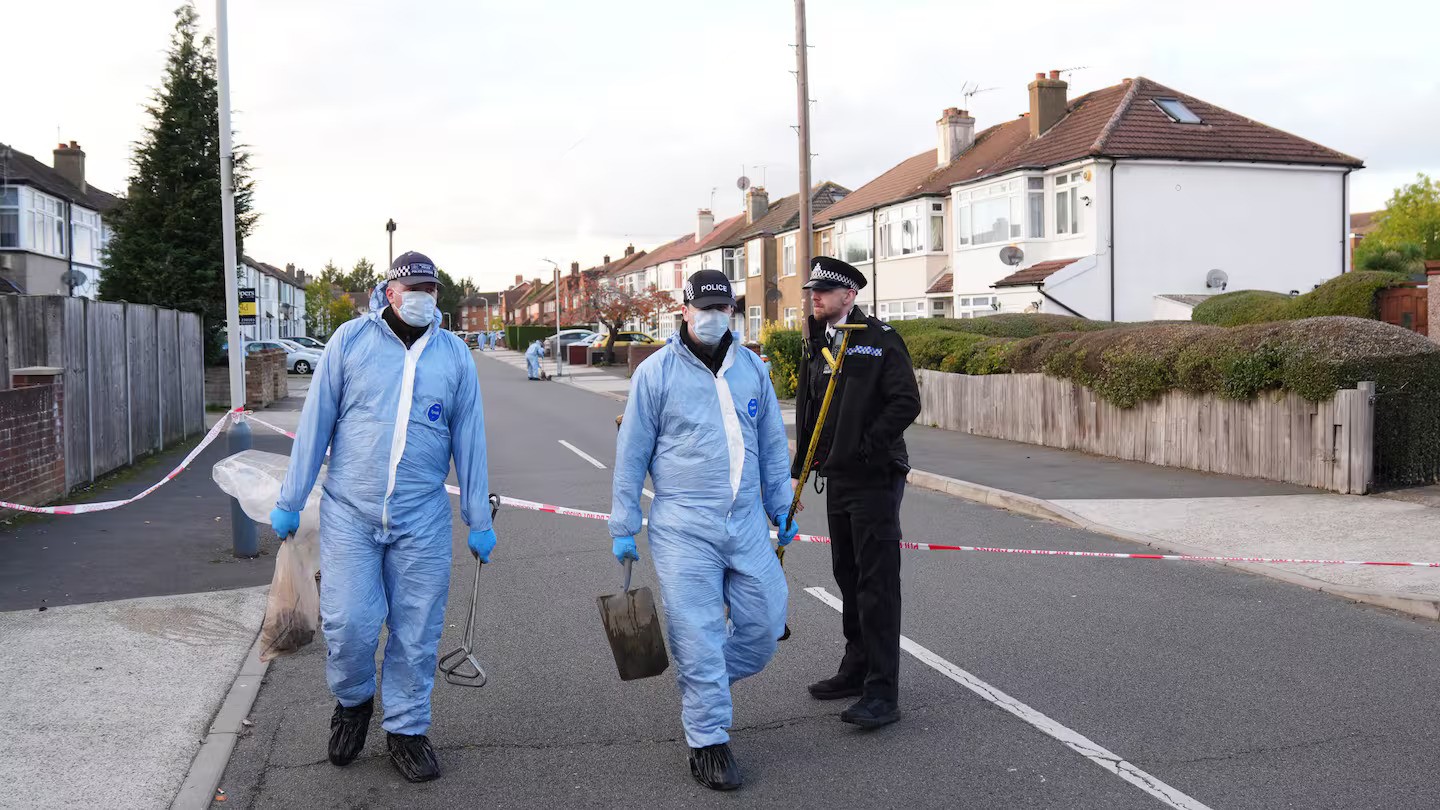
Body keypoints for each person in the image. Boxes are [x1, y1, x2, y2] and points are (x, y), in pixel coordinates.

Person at [268, 251, 496, 783]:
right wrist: (291, 498)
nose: (422, 297)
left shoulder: (453, 356)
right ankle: (352, 704)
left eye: (430, 289)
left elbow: (470, 439)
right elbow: (317, 421)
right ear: (389, 292)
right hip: (351, 512)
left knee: (416, 630)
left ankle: (407, 729)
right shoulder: (350, 342)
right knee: (350, 623)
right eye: (412, 287)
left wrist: (477, 515)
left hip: (422, 518)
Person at [610, 269, 799, 791]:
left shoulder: (752, 369)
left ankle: (702, 683)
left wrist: (780, 506)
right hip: (683, 528)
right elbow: (631, 456)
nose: (715, 317)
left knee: (764, 627)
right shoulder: (655, 374)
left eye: (724, 308)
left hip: (745, 524)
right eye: (705, 308)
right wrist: (624, 522)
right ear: (685, 309)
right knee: (698, 632)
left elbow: (770, 444)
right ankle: (708, 740)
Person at [792, 256, 920, 730]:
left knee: (877, 583)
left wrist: (865, 449)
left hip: (873, 478)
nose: (814, 297)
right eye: (812, 291)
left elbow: (906, 401)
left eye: (824, 291)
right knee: (847, 574)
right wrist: (799, 470)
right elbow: (809, 407)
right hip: (837, 479)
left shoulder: (879, 340)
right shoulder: (817, 342)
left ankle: (883, 692)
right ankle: (857, 667)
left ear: (849, 295)